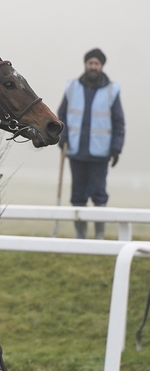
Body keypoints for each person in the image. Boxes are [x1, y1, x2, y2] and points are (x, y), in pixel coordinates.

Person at [57, 48, 125, 239]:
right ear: (85, 65)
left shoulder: (112, 90)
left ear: (101, 66)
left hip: (100, 152)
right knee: (77, 195)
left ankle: (99, 236)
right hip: (75, 151)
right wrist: (61, 136)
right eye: (90, 63)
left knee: (98, 194)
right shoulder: (72, 87)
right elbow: (61, 115)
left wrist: (116, 148)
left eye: (96, 63)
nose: (93, 66)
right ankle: (80, 235)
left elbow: (118, 121)